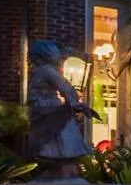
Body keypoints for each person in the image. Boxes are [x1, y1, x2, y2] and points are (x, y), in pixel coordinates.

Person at [25, 39, 96, 172]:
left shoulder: (44, 71)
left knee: (60, 131)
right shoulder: (45, 70)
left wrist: (74, 102)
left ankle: (61, 156)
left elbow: (65, 87)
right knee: (60, 130)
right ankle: (60, 156)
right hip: (45, 106)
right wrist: (74, 102)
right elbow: (66, 87)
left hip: (44, 106)